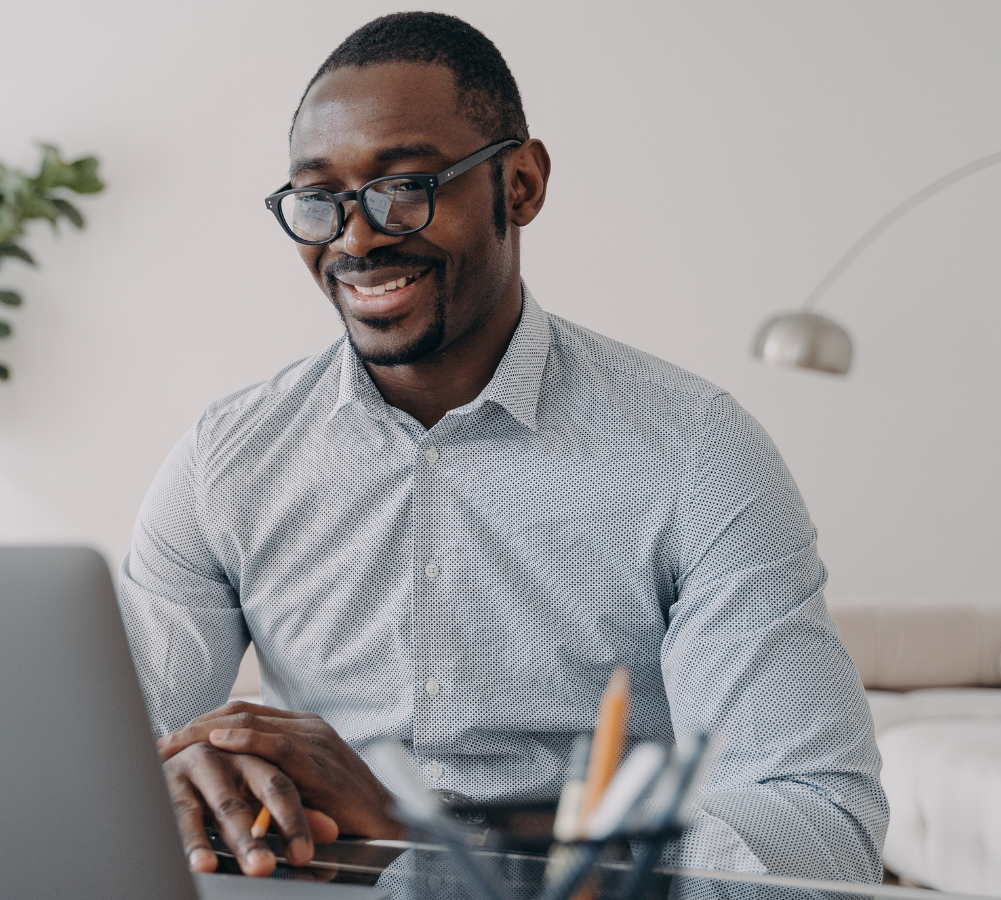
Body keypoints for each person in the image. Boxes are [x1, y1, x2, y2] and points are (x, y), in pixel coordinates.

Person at [116, 11, 887, 885]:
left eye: (405, 185)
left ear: (520, 184)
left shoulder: (696, 454)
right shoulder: (227, 459)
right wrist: (170, 782)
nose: (356, 237)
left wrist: (440, 841)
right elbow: (105, 759)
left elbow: (824, 830)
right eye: (318, 199)